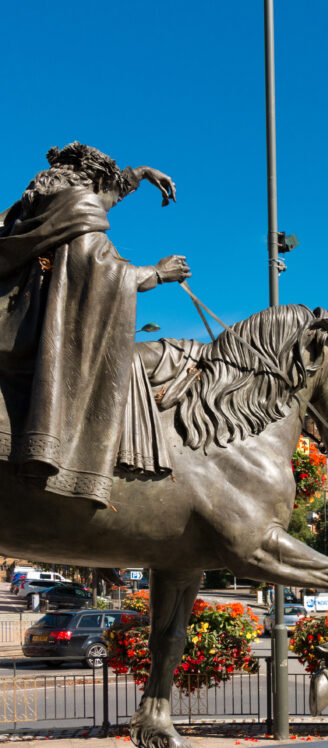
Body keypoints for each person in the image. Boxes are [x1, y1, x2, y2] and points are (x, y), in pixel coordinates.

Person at [0, 142, 190, 506]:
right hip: (37, 332)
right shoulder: (80, 216)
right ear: (95, 184)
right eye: (110, 191)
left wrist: (141, 173)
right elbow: (104, 274)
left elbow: (102, 198)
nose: (110, 203)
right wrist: (158, 272)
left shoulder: (43, 207)